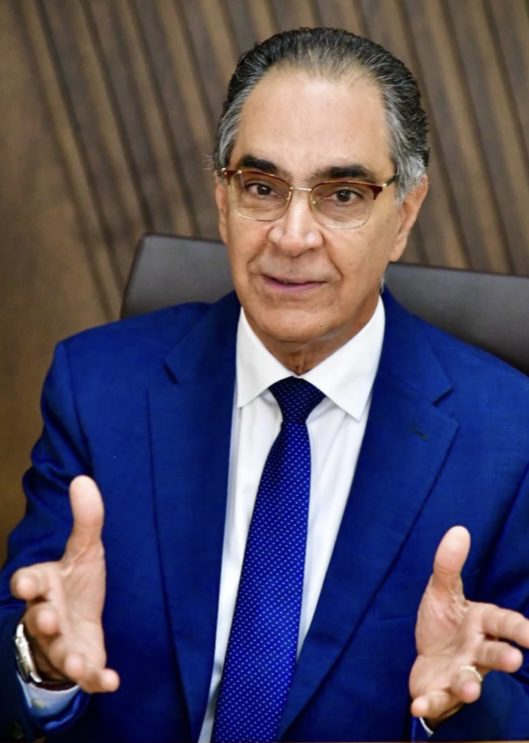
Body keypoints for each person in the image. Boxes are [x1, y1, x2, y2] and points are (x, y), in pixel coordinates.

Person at [1, 26, 529, 743]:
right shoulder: (97, 389)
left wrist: (466, 707)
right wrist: (41, 666)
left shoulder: (510, 441)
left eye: (342, 194)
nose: (292, 235)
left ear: (404, 214)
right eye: (261, 187)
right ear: (222, 200)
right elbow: (24, 632)